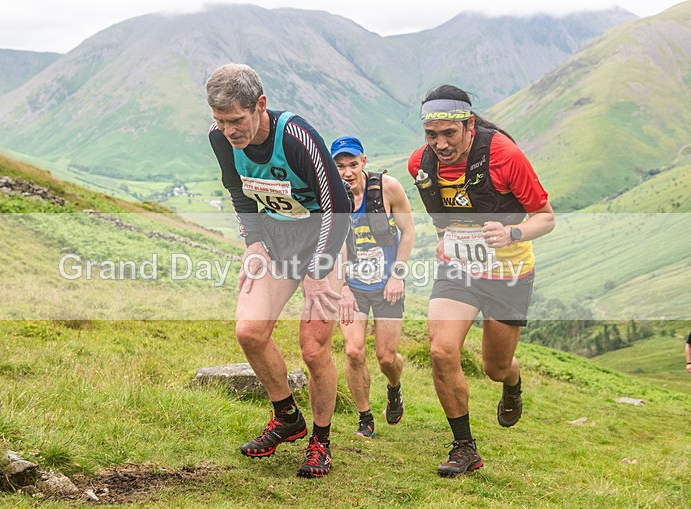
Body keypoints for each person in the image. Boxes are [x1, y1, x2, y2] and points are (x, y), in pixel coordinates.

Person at [206, 64, 351, 478]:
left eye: (236, 120)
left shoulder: (295, 136)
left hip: (325, 239)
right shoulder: (219, 139)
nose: (229, 131)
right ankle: (287, 416)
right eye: (220, 121)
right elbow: (238, 190)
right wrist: (252, 242)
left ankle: (320, 441)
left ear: (260, 105)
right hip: (275, 243)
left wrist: (320, 269)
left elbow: (337, 207)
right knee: (249, 332)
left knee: (313, 346)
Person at [407, 84, 555, 477]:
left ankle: (513, 380)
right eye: (431, 135)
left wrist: (513, 234)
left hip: (508, 271)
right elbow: (440, 215)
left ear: (469, 125)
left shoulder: (504, 155)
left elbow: (546, 216)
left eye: (448, 134)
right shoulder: (420, 165)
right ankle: (464, 447)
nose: (440, 144)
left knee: (494, 366)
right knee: (441, 350)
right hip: (460, 269)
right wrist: (443, 241)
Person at [330, 135, 415, 438]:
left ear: (363, 162)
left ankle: (394, 390)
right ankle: (365, 417)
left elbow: (408, 231)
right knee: (353, 352)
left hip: (387, 286)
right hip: (351, 285)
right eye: (340, 166)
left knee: (386, 358)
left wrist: (398, 275)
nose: (347, 172)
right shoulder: (330, 197)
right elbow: (332, 245)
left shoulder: (387, 189)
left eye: (353, 164)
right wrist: (341, 289)